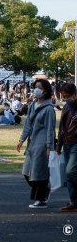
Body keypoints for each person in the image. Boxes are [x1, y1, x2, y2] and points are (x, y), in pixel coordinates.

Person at [16, 79, 56, 209]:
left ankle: (40, 199)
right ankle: (44, 192)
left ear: (45, 91)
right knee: (27, 172)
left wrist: (49, 147)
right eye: (35, 87)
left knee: (38, 172)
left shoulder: (49, 109)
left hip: (42, 143)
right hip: (32, 142)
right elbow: (28, 124)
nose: (35, 90)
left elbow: (50, 129)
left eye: (38, 87)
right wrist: (21, 139)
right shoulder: (33, 104)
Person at [56, 83, 77, 212]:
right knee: (69, 175)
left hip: (76, 143)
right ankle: (73, 201)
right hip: (67, 143)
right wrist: (59, 145)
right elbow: (62, 127)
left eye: (68, 96)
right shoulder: (66, 107)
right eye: (64, 97)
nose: (66, 99)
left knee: (70, 171)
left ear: (75, 93)